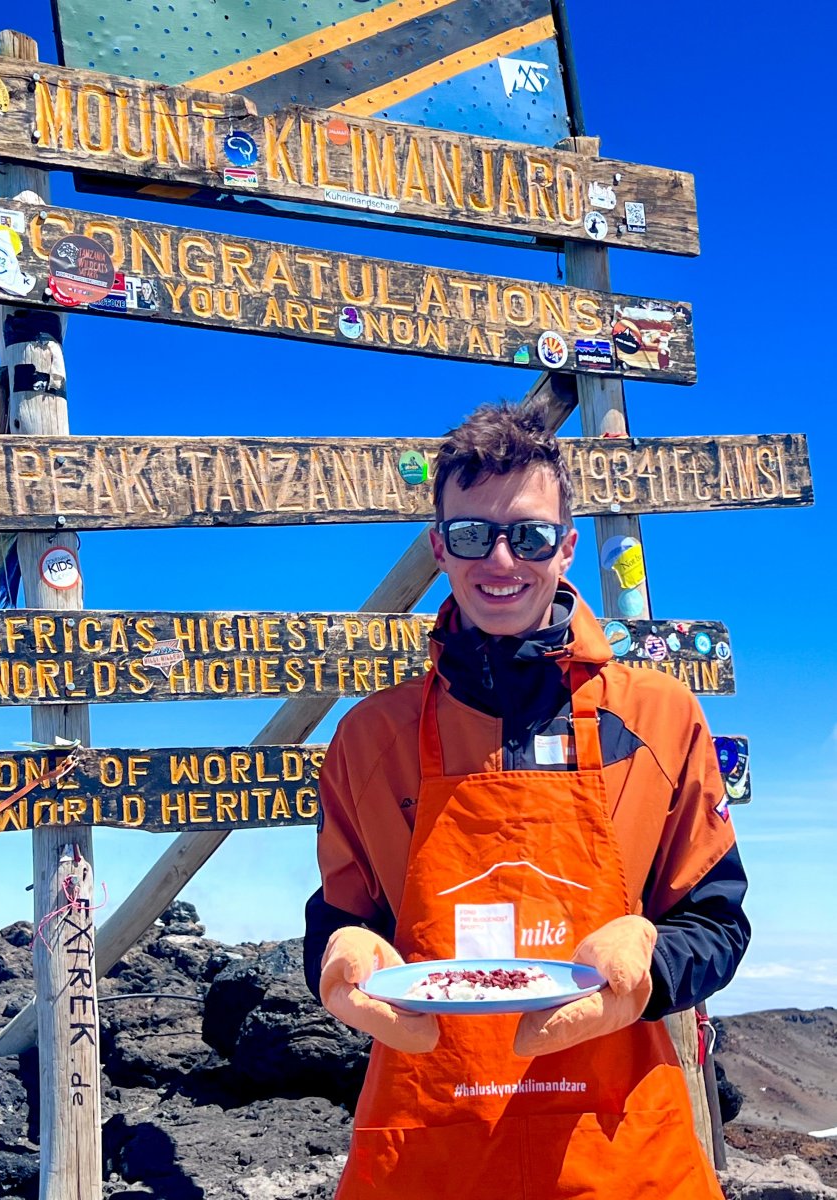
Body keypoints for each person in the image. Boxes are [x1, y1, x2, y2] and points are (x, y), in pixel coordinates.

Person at [303, 400, 750, 1199]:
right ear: (440, 548)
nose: (501, 560)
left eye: (531, 536)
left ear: (567, 545)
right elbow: (342, 919)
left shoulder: (658, 716)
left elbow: (716, 922)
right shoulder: (370, 738)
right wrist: (340, 958)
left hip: (618, 1151)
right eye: (473, 534)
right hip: (428, 1150)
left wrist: (648, 965)